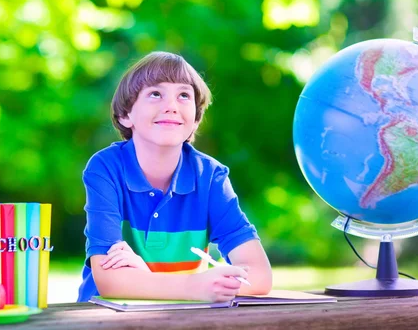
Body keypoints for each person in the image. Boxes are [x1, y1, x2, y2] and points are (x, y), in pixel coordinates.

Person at [77, 51, 272, 303]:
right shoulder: (105, 168)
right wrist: (195, 286)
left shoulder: (210, 177)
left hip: (179, 319)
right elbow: (110, 282)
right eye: (155, 94)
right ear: (126, 115)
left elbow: (260, 276)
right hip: (107, 319)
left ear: (195, 120)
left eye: (183, 95)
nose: (171, 106)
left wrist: (145, 277)